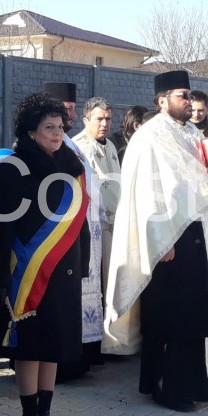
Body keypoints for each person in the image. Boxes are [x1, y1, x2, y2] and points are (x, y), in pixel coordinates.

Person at [104, 70, 208, 412]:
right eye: (182, 96)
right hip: (168, 237)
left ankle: (194, 384)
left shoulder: (192, 133)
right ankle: (167, 388)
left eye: (190, 95)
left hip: (197, 231)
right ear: (162, 100)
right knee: (171, 315)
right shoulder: (149, 136)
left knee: (192, 313)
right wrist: (162, 240)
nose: (189, 101)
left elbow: (202, 182)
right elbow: (148, 191)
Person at [0, 93, 89, 416]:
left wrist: (83, 264)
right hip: (26, 272)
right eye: (49, 127)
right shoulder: (14, 167)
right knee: (30, 346)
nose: (57, 133)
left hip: (63, 269)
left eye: (60, 127)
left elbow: (80, 224)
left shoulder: (71, 164)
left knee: (53, 347)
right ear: (30, 131)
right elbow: (1, 227)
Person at [41, 82, 103, 375]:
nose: (73, 115)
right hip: (56, 236)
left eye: (73, 109)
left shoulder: (71, 144)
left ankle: (78, 356)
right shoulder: (47, 145)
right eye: (67, 109)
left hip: (82, 230)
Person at [72, 97, 120, 292]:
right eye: (99, 119)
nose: (104, 124)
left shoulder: (111, 145)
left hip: (115, 221)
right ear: (86, 120)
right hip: (94, 224)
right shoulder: (77, 147)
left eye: (108, 119)